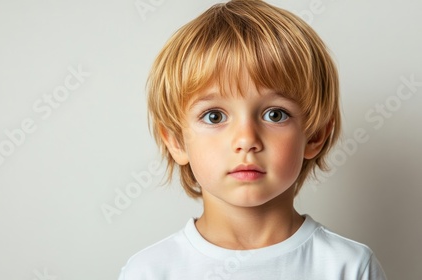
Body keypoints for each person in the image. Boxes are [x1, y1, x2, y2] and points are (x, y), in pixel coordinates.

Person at [118, 0, 387, 279]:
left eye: (275, 114)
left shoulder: (349, 267)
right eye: (214, 116)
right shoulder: (149, 271)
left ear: (315, 135)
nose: (246, 140)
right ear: (176, 141)